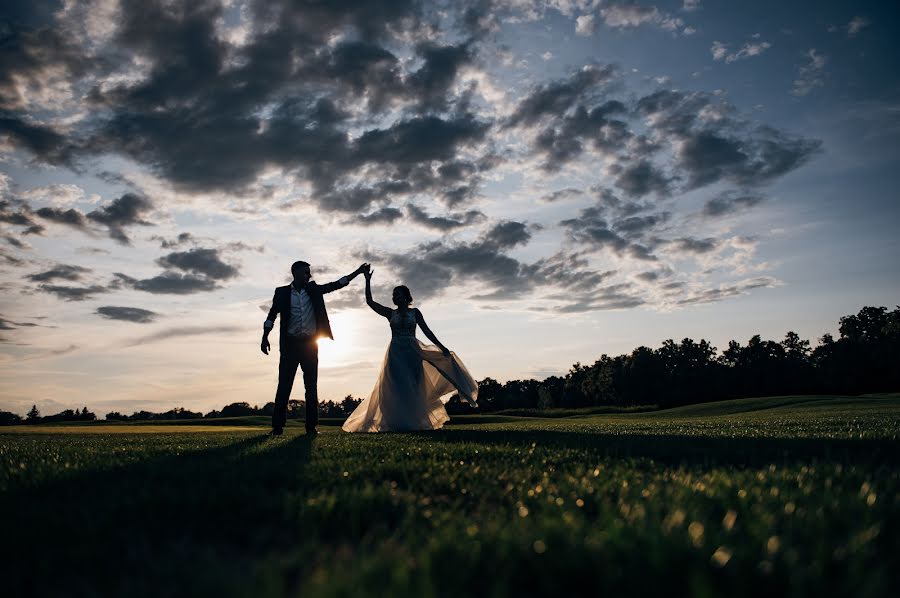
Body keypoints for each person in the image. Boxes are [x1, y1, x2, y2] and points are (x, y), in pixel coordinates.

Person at [342, 267, 478, 433]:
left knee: (414, 386)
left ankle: (415, 422)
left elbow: (427, 331)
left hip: (413, 352)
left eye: (398, 294)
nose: (395, 297)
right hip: (396, 354)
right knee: (396, 387)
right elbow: (370, 302)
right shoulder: (390, 314)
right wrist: (368, 280)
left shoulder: (415, 313)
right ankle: (394, 423)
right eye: (393, 295)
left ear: (406, 297)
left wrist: (441, 346)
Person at [262, 260, 369, 436]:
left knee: (311, 387)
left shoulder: (313, 289)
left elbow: (337, 284)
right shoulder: (281, 293)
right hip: (290, 346)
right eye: (306, 272)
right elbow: (271, 315)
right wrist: (265, 336)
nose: (309, 275)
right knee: (284, 387)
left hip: (310, 345)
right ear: (295, 273)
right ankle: (277, 427)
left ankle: (311, 428)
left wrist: (357, 272)